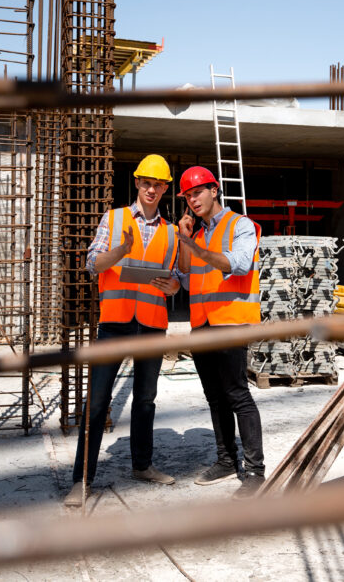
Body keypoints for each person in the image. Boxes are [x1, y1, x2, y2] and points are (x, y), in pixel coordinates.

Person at [64, 154, 182, 507]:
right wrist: (122, 251)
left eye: (158, 184)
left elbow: (177, 280)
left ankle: (142, 466)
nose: (151, 189)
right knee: (97, 401)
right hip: (114, 323)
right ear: (136, 183)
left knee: (145, 400)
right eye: (146, 182)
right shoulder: (113, 220)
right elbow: (92, 263)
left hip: (151, 324)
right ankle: (81, 480)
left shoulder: (172, 231)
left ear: (165, 189)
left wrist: (172, 287)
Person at [175, 166, 266, 498]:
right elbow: (185, 277)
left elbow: (239, 264)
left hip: (230, 323)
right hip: (202, 326)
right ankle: (226, 462)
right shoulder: (197, 236)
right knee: (215, 398)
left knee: (237, 396)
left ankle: (255, 471)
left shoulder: (240, 225)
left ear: (214, 190)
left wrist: (197, 249)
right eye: (187, 195)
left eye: (197, 192)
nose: (193, 199)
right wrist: (185, 242)